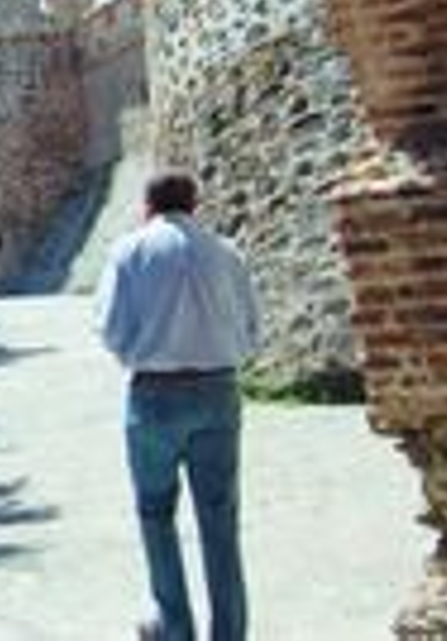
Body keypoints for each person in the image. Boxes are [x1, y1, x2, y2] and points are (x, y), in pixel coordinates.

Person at [96, 170, 261, 641]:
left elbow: (110, 329)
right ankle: (229, 633)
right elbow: (252, 331)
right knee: (220, 519)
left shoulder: (128, 251)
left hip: (153, 397)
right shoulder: (228, 253)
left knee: (155, 515)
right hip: (217, 392)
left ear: (148, 206)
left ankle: (175, 629)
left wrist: (143, 350)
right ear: (195, 205)